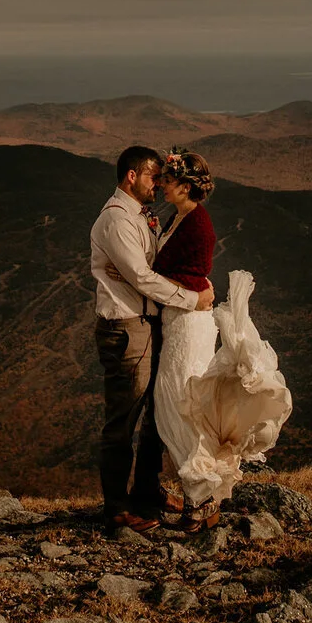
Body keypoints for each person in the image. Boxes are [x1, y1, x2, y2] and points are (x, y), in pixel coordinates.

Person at [149, 150, 293, 529]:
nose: (161, 184)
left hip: (187, 323)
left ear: (184, 187)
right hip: (179, 319)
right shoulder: (180, 217)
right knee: (176, 405)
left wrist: (150, 279)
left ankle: (201, 502)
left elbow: (193, 274)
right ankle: (198, 498)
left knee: (182, 405)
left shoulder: (198, 224)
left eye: (167, 179)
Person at [89, 145, 213, 533]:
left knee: (155, 414)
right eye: (152, 176)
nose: (158, 184)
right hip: (127, 328)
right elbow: (140, 277)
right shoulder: (116, 222)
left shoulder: (141, 215)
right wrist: (192, 299)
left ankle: (146, 491)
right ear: (132, 176)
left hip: (150, 324)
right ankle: (117, 509)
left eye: (164, 177)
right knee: (123, 420)